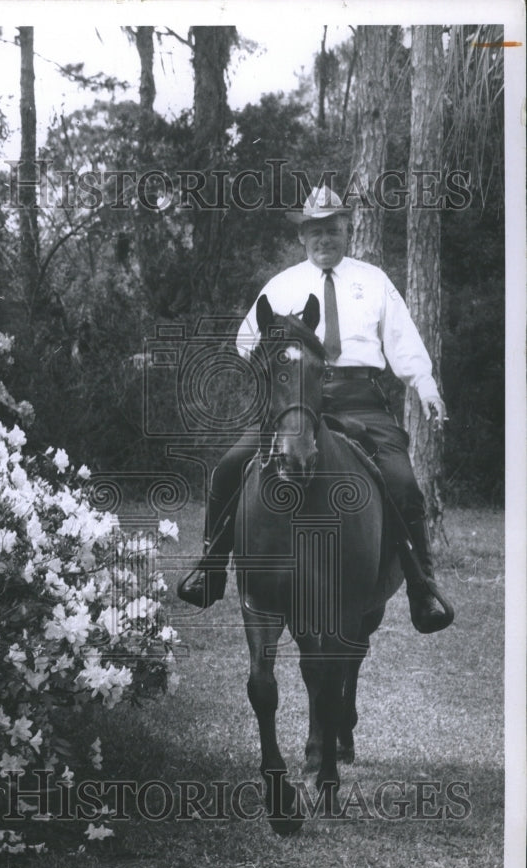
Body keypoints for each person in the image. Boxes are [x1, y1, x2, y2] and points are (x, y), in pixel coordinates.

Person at [177, 183, 454, 634]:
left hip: (360, 399)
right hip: (294, 401)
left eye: (333, 230)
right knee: (229, 466)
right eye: (315, 232)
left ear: (347, 230)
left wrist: (426, 389)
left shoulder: (374, 281)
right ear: (302, 236)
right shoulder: (282, 285)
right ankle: (210, 569)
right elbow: (246, 343)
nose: (325, 239)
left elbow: (404, 343)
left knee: (403, 483)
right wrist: (273, 372)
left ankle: (423, 589)